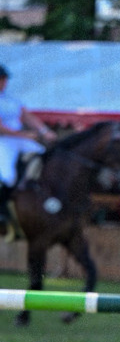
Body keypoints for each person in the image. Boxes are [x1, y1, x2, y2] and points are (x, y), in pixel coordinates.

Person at [0, 64, 55, 224]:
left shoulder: (11, 99)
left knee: (42, 154)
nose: (4, 83)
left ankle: (33, 192)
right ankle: (3, 209)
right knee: (7, 175)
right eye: (1, 79)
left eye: (4, 79)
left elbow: (27, 117)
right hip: (3, 140)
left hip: (18, 138)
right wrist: (25, 135)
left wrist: (45, 131)